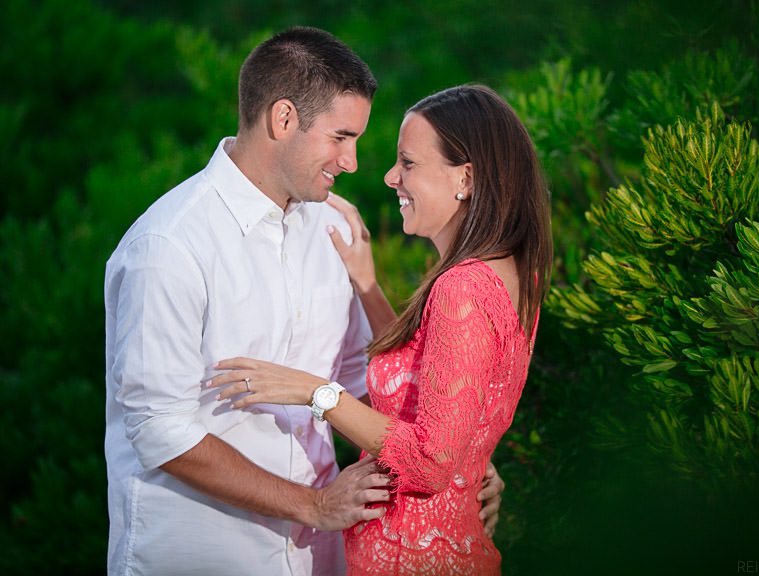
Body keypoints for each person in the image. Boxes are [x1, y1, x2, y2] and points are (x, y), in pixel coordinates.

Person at [104, 28, 504, 576]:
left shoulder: (328, 228)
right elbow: (158, 430)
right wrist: (313, 506)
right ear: (284, 118)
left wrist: (456, 456)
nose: (352, 161)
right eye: (341, 137)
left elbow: (362, 379)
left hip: (318, 558)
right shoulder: (169, 246)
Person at [211, 84, 552, 575]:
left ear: (466, 178)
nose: (391, 177)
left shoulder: (463, 288)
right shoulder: (508, 274)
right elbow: (433, 380)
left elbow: (429, 463)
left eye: (408, 163)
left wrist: (315, 392)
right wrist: (367, 286)